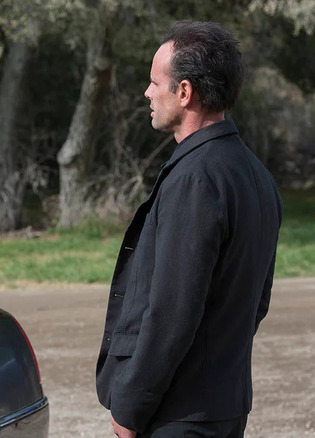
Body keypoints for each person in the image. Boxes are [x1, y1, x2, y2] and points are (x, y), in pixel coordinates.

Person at [95, 21, 283, 438]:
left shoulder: (196, 179)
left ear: (184, 92)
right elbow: (257, 302)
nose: (147, 92)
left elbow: (171, 311)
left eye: (154, 82)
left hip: (178, 416)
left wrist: (130, 406)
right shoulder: (256, 175)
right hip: (221, 406)